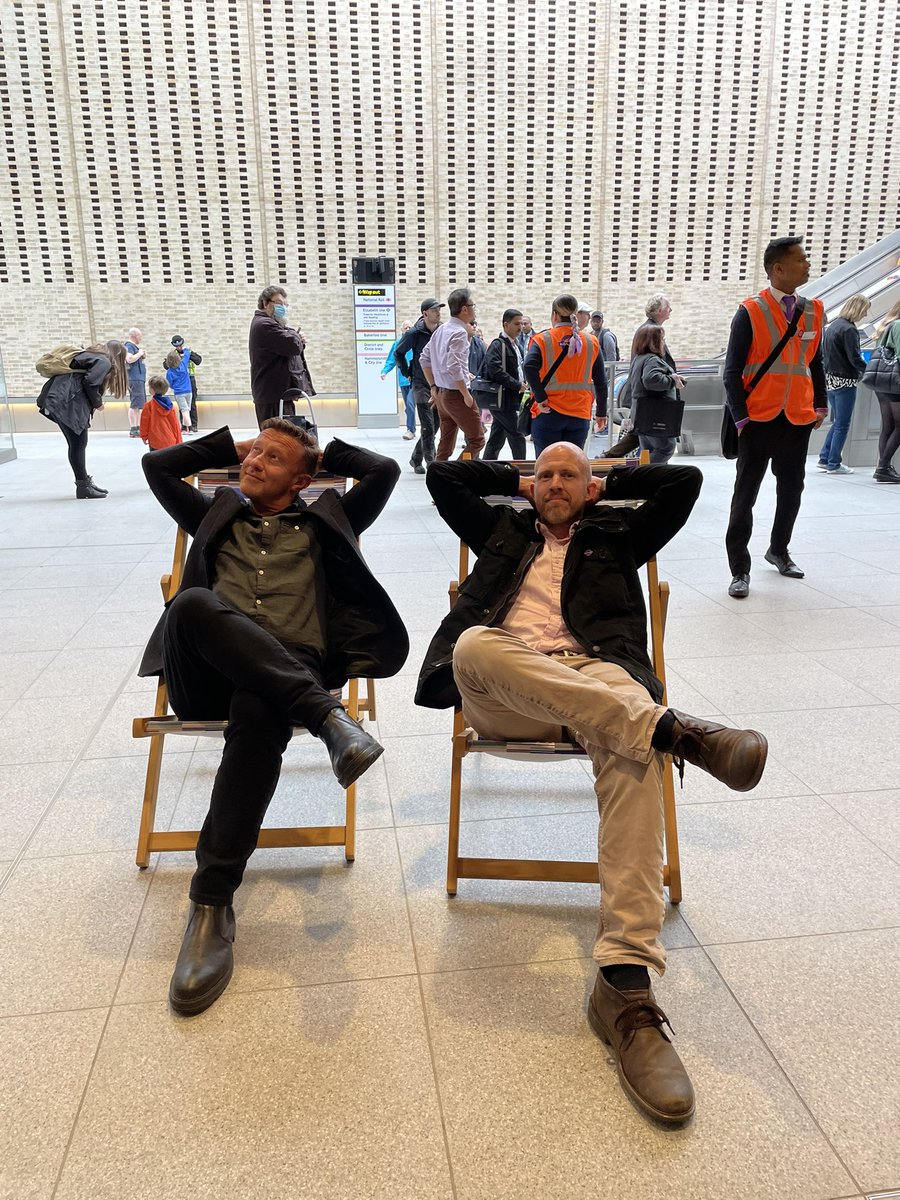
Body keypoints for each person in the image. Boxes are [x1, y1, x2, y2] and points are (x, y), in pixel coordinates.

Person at [416, 443, 768, 1125]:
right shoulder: (501, 528)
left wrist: (608, 477)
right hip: (508, 685)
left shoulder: (618, 533)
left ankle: (624, 986)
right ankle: (677, 732)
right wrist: (518, 477)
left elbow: (684, 480)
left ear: (591, 488)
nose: (554, 483)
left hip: (598, 675)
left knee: (633, 747)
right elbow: (444, 474)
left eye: (568, 476)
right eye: (544, 475)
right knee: (475, 643)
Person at [138, 419, 408, 1016]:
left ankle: (211, 904)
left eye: (273, 458)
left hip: (286, 669)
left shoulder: (330, 520)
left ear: (304, 481)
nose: (256, 462)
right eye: (254, 452)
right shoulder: (215, 512)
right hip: (207, 672)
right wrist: (233, 447)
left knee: (261, 708)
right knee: (191, 602)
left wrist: (321, 452)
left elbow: (385, 470)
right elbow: (157, 465)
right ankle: (328, 718)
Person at [723, 236, 827, 598]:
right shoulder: (750, 311)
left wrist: (821, 404)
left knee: (792, 489)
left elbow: (816, 362)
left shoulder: (813, 310)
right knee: (746, 494)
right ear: (778, 269)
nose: (807, 264)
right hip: (757, 418)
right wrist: (741, 418)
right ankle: (739, 569)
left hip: (798, 417)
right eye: (801, 259)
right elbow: (731, 370)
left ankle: (779, 550)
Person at [36, 340, 127, 498]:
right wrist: (98, 403)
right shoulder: (104, 361)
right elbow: (90, 382)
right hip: (68, 403)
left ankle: (84, 483)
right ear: (118, 355)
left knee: (76, 444)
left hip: (58, 399)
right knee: (78, 444)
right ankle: (83, 486)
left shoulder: (92, 355)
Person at [523, 293, 607, 456]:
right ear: (575, 315)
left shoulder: (542, 339)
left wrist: (540, 397)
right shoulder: (591, 341)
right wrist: (601, 412)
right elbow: (601, 381)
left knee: (547, 464)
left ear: (554, 315)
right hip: (580, 413)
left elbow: (529, 366)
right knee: (572, 464)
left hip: (549, 412)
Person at [607, 295, 683, 458]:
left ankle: (611, 459)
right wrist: (672, 380)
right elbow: (650, 377)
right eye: (668, 307)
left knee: (642, 442)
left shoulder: (647, 332)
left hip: (643, 402)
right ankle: (614, 461)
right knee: (661, 447)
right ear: (660, 310)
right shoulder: (651, 335)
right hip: (650, 403)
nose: (671, 310)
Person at [420, 287, 485, 461]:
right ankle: (457, 470)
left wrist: (433, 386)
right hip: (457, 395)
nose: (474, 309)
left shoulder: (441, 329)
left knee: (446, 442)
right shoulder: (459, 332)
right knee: (477, 440)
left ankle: (438, 471)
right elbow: (454, 367)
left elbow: (424, 359)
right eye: (473, 305)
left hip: (442, 394)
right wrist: (466, 394)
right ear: (464, 309)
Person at [816, 295, 871, 475]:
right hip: (845, 381)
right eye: (864, 311)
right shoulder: (849, 330)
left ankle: (825, 457)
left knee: (837, 421)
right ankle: (834, 463)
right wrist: (869, 369)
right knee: (843, 424)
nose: (865, 314)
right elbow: (854, 358)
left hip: (831, 380)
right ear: (858, 309)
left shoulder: (834, 326)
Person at [395, 298, 445, 473]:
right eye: (434, 310)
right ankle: (432, 464)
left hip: (438, 384)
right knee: (428, 426)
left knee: (435, 425)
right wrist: (406, 372)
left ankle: (416, 458)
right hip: (420, 383)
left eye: (439, 310)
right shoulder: (414, 333)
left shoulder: (442, 330)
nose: (438, 313)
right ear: (425, 313)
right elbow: (398, 353)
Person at [248, 285, 308, 427]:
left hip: (276, 394)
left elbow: (291, 345)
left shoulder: (269, 323)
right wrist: (295, 336)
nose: (283, 308)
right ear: (265, 303)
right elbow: (292, 346)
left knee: (284, 435)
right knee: (276, 437)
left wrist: (293, 336)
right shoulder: (264, 325)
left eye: (285, 304)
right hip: (272, 396)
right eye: (279, 303)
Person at [629, 323, 683, 463]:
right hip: (655, 414)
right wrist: (672, 380)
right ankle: (641, 471)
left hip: (641, 412)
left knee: (647, 451)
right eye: (662, 339)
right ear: (654, 342)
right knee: (666, 448)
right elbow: (650, 379)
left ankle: (648, 474)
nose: (664, 342)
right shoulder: (652, 360)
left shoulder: (639, 359)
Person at [482, 309, 528, 461]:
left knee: (497, 437)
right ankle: (522, 470)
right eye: (517, 324)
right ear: (506, 325)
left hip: (510, 399)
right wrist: (517, 385)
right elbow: (495, 371)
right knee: (517, 435)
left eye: (522, 324)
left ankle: (486, 467)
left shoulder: (515, 345)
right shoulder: (498, 345)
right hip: (502, 400)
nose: (520, 327)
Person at [869, 300, 900, 483]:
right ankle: (883, 467)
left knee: (888, 425)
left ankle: (884, 467)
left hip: (881, 380)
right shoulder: (898, 325)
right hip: (895, 382)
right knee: (899, 425)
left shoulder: (885, 325)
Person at [380, 321, 415, 439]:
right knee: (409, 406)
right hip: (403, 380)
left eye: (410, 327)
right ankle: (412, 429)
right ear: (402, 330)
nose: (408, 329)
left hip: (415, 380)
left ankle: (410, 430)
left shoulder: (416, 342)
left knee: (410, 404)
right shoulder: (397, 344)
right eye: (406, 327)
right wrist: (384, 371)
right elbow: (391, 360)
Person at [140, 374, 182, 450]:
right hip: (170, 441)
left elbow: (144, 423)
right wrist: (178, 441)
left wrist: (144, 436)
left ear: (152, 390)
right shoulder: (170, 406)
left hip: (155, 441)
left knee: (156, 458)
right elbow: (175, 424)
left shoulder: (149, 406)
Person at [171, 335, 202, 434]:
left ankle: (193, 425)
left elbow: (198, 361)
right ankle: (184, 426)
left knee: (191, 404)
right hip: (180, 381)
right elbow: (166, 365)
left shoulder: (188, 352)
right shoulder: (173, 354)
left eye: (180, 345)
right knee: (182, 406)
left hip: (190, 379)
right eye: (177, 346)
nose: (179, 347)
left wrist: (189, 353)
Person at [164, 346, 193, 433]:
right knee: (187, 409)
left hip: (179, 393)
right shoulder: (183, 364)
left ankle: (190, 428)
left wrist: (175, 387)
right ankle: (184, 428)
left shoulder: (169, 372)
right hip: (189, 391)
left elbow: (169, 383)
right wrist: (186, 349)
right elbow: (187, 355)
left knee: (184, 410)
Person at [124, 327, 147, 438]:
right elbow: (129, 359)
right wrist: (139, 353)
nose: (141, 338)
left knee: (139, 404)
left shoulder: (134, 347)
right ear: (135, 336)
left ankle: (137, 427)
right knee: (135, 404)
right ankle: (134, 428)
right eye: (140, 336)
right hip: (135, 378)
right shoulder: (129, 346)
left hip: (138, 379)